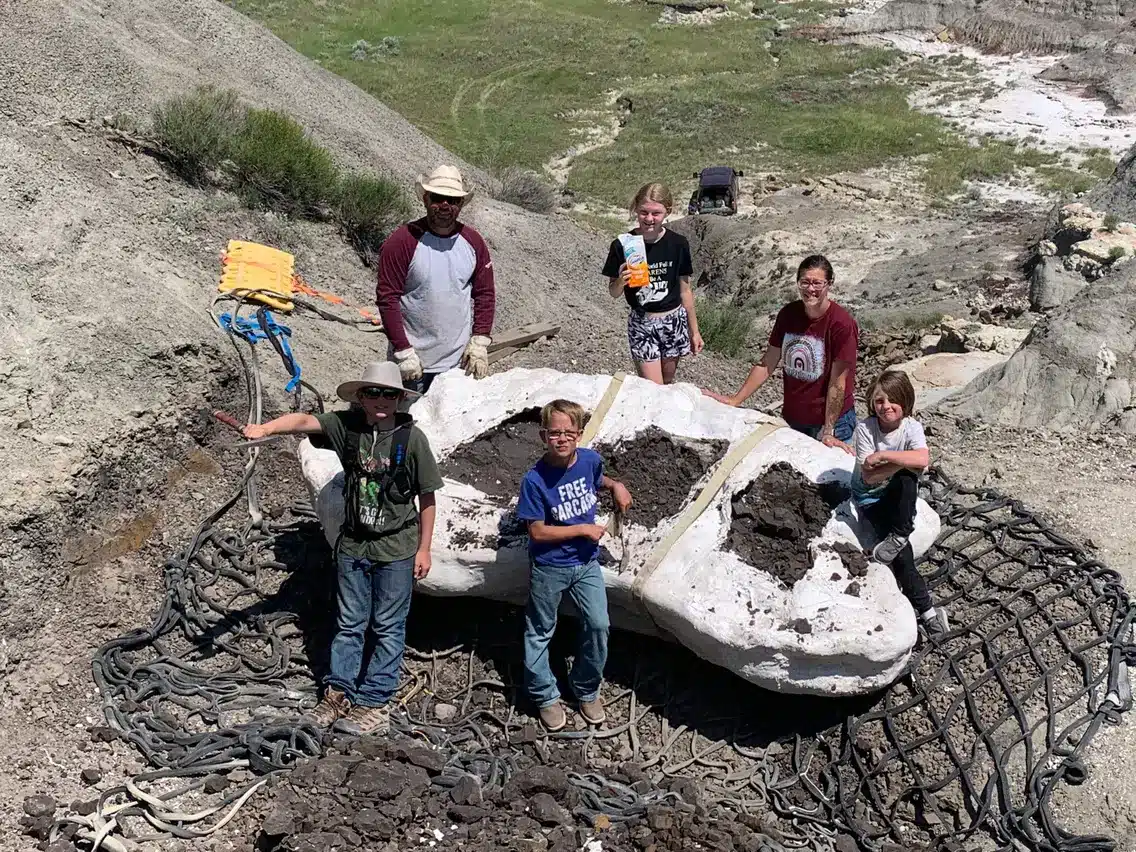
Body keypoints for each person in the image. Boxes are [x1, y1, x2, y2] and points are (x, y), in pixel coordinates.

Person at [242, 361, 443, 734]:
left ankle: (375, 701)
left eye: (389, 393)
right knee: (350, 622)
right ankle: (338, 694)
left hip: (396, 547)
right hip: (353, 545)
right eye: (373, 392)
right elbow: (305, 422)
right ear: (361, 397)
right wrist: (265, 428)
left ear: (400, 398)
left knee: (387, 625)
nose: (381, 400)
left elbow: (427, 497)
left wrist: (424, 548)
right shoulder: (346, 428)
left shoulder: (412, 440)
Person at [516, 399, 633, 732]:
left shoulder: (590, 461)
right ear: (543, 436)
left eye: (569, 432)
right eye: (554, 433)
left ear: (580, 434)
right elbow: (537, 531)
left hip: (585, 563)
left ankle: (586, 689)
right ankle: (544, 696)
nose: (562, 439)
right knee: (539, 631)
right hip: (550, 566)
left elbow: (595, 478)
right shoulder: (535, 481)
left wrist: (615, 485)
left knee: (598, 624)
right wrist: (582, 529)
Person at [703, 255, 858, 449]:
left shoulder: (841, 324)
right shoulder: (788, 314)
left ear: (829, 284)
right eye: (805, 282)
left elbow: (838, 382)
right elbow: (768, 362)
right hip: (794, 418)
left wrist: (828, 430)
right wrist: (735, 400)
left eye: (817, 283)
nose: (811, 289)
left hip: (832, 423)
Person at [376, 164, 496, 394]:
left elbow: (484, 294)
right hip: (414, 363)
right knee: (409, 423)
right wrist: (403, 352)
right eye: (438, 198)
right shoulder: (403, 241)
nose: (445, 205)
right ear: (425, 199)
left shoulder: (473, 242)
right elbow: (387, 298)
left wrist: (480, 341)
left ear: (461, 204)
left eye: (452, 200)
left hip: (457, 363)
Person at [851, 369, 949, 635]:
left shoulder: (912, 427)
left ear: (905, 401)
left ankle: (901, 532)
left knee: (908, 477)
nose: (886, 407)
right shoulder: (865, 429)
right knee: (902, 556)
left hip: (895, 493)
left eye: (892, 400)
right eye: (880, 401)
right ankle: (928, 613)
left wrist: (888, 460)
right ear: (872, 403)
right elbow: (869, 476)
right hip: (870, 498)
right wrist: (903, 460)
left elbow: (922, 460)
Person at [602, 183, 703, 385]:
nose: (649, 219)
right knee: (653, 388)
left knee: (667, 383)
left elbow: (685, 290)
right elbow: (613, 292)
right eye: (644, 212)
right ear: (636, 210)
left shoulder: (678, 244)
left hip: (673, 321)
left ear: (668, 211)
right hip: (642, 322)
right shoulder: (622, 244)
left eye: (656, 213)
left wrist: (695, 331)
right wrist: (622, 280)